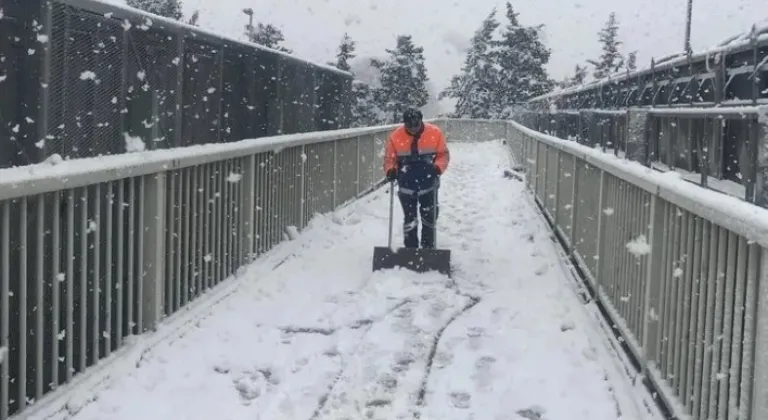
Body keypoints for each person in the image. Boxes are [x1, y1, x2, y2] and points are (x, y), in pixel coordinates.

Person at [383, 108, 450, 249]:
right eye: (409, 126)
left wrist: (438, 167)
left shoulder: (435, 133)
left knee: (429, 216)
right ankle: (411, 248)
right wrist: (391, 170)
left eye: (416, 125)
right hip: (406, 182)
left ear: (421, 121)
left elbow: (443, 154)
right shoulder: (395, 136)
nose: (413, 129)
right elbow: (390, 158)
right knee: (410, 218)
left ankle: (428, 247)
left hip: (429, 182)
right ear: (404, 124)